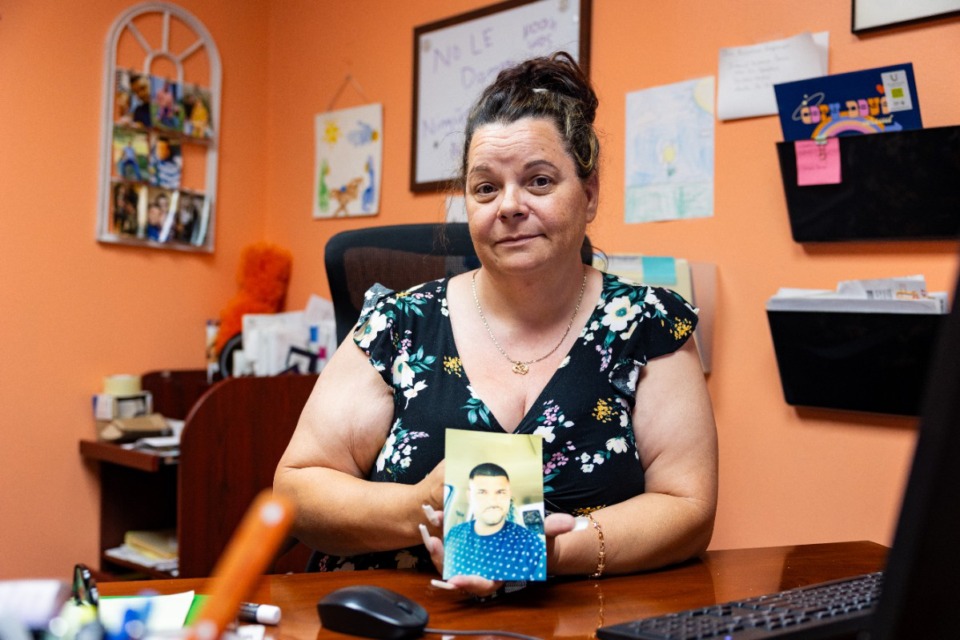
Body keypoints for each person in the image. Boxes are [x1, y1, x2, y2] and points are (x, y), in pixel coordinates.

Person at [274, 52, 718, 598]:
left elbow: (688, 508)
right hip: (391, 615)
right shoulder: (399, 325)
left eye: (538, 181)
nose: (509, 206)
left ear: (591, 193)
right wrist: (424, 507)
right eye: (485, 188)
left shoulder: (647, 325)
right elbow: (295, 492)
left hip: (577, 622)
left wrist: (547, 555)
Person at [444, 463, 546, 581]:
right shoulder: (454, 534)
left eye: (500, 492)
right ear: (469, 496)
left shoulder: (533, 544)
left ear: (509, 495)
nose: (492, 502)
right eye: (482, 492)